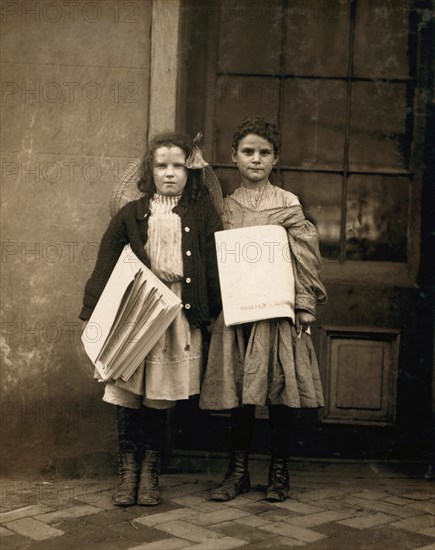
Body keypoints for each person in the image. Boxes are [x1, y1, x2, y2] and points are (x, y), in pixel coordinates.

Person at [80, 133, 222, 506]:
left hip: (177, 309)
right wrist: (94, 313)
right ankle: (127, 472)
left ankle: (150, 473)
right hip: (136, 309)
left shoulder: (201, 213)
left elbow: (214, 263)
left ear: (190, 172)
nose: (170, 173)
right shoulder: (132, 213)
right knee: (127, 388)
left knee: (160, 392)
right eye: (162, 166)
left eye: (178, 166)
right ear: (150, 171)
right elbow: (106, 262)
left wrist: (210, 312)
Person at [199, 116, 327, 502]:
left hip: (276, 313)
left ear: (275, 159)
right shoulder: (225, 207)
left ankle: (279, 471)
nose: (256, 159)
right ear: (234, 157)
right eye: (248, 152)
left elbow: (305, 257)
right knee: (239, 394)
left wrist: (304, 304)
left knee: (278, 393)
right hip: (239, 313)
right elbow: (215, 257)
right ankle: (237, 472)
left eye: (264, 153)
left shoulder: (287, 203)